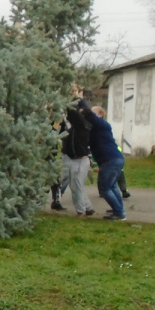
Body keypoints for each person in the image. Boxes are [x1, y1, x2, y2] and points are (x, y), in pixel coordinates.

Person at [83, 105, 127, 221]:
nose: (91, 115)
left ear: (101, 115)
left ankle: (119, 213)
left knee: (104, 188)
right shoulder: (96, 128)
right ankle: (119, 209)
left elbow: (88, 114)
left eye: (94, 113)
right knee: (112, 186)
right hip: (114, 159)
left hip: (110, 160)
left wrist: (78, 98)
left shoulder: (102, 124)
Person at [60, 85, 95, 217]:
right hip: (76, 158)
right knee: (76, 185)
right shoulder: (77, 127)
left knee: (77, 185)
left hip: (80, 160)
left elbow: (73, 113)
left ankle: (81, 212)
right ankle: (87, 208)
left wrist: (73, 97)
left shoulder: (82, 126)